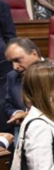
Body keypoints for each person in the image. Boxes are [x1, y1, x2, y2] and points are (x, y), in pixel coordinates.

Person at [4, 38, 54, 127]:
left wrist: (32, 115)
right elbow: (9, 106)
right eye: (11, 62)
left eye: (17, 60)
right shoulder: (12, 76)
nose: (15, 67)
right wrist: (17, 113)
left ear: (34, 54)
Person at [0, 1, 15, 137]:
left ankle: (6, 149)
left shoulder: (1, 5)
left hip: (1, 63)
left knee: (2, 102)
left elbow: (9, 35)